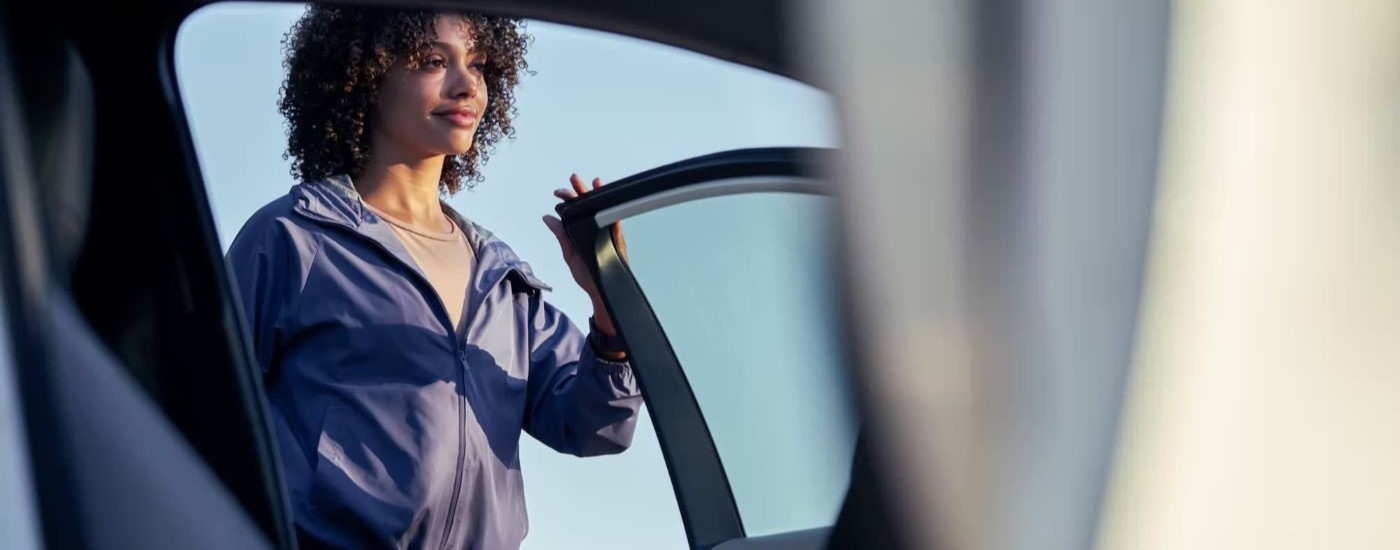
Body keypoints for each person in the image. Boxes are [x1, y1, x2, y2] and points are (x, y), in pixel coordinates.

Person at [225, 6, 643, 549]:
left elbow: (595, 426)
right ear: (366, 77)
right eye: (432, 61)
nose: (466, 84)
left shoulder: (503, 278)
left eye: (478, 64)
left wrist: (609, 310)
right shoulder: (291, 238)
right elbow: (206, 421)